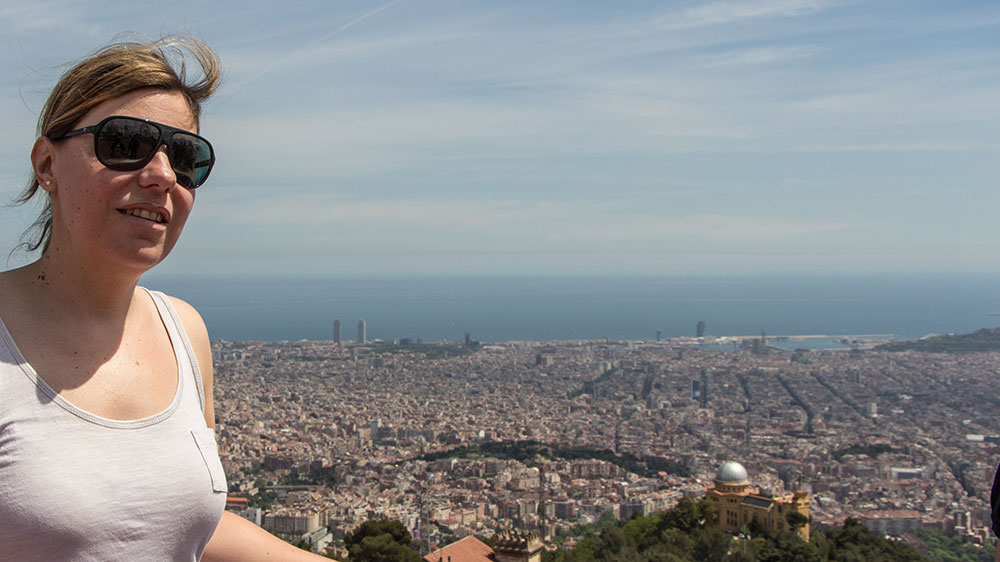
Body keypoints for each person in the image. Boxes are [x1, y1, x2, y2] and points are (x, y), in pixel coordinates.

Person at [0, 36, 332, 561]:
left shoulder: (183, 330)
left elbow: (180, 524)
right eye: (126, 143)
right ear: (47, 165)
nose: (161, 176)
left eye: (184, 156)